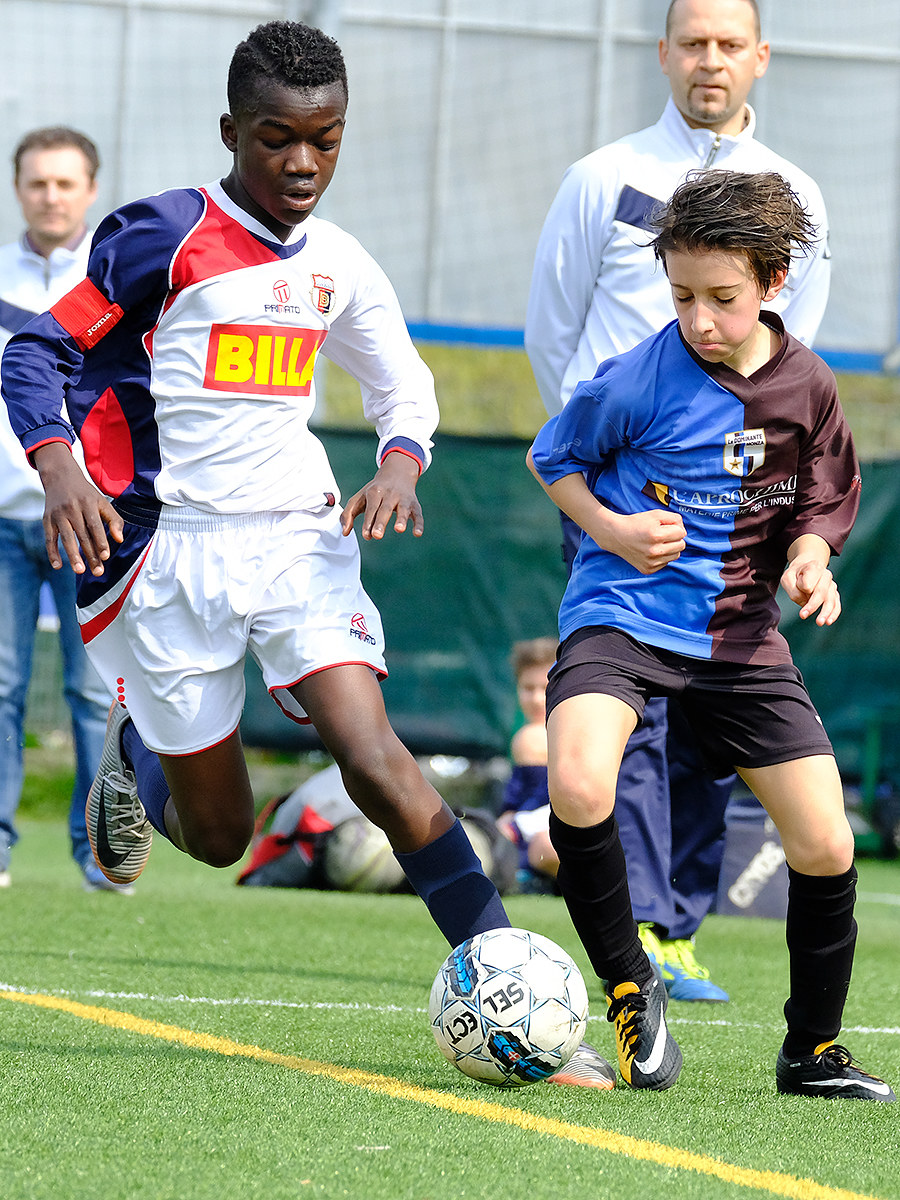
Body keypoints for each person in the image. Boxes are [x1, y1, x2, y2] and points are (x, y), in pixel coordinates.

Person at [1, 20, 614, 1089]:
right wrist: (60, 471)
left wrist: (401, 463)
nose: (301, 163)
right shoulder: (161, 236)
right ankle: (137, 762)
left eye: (324, 142)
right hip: (165, 555)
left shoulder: (338, 262)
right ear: (232, 130)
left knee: (378, 761)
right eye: (278, 138)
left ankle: (512, 998)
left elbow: (401, 385)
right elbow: (39, 349)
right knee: (222, 835)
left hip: (298, 537)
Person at [526, 168, 895, 1102]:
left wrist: (812, 557)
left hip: (740, 638)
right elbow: (554, 456)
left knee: (827, 845)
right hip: (622, 614)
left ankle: (811, 1051)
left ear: (773, 283)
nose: (698, 318)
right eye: (681, 295)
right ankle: (627, 988)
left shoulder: (807, 383)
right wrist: (612, 531)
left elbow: (822, 494)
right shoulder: (642, 377)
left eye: (722, 298)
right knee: (577, 778)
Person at [524, 0, 832, 1003]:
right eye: (691, 40)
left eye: (728, 43)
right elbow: (552, 332)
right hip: (621, 499)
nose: (709, 60)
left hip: (736, 510)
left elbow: (786, 371)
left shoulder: (800, 198)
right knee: (625, 724)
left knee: (713, 728)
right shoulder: (600, 178)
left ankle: (681, 926)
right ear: (663, 53)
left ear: (761, 58)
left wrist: (790, 528)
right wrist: (608, 485)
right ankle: (642, 931)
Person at [0, 126, 122, 892]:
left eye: (65, 183)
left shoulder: (119, 278)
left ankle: (102, 859)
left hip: (90, 520)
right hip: (4, 516)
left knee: (93, 694)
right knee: (0, 686)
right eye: (38, 183)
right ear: (19, 190)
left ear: (91, 190)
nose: (51, 196)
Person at [496, 637, 560, 891]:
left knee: (546, 849)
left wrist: (514, 828)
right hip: (525, 838)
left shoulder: (540, 737)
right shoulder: (526, 735)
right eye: (527, 688)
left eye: (545, 688)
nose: (535, 699)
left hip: (564, 837)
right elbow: (518, 801)